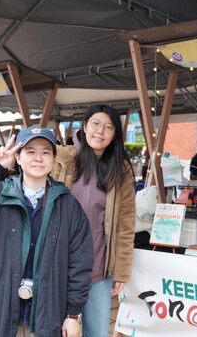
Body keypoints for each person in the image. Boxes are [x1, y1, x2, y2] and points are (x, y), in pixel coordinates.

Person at [0, 127, 94, 337]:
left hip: (45, 315)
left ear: (54, 159)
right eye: (30, 151)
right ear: (18, 158)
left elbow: (79, 263)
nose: (38, 158)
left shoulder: (68, 206)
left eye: (46, 152)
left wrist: (73, 314)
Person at [54, 104, 136, 337]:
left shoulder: (121, 170)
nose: (100, 131)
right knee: (54, 329)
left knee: (97, 332)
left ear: (114, 136)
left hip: (98, 266)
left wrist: (121, 270)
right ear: (85, 126)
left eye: (108, 127)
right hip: (59, 262)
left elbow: (126, 225)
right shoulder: (63, 159)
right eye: (96, 124)